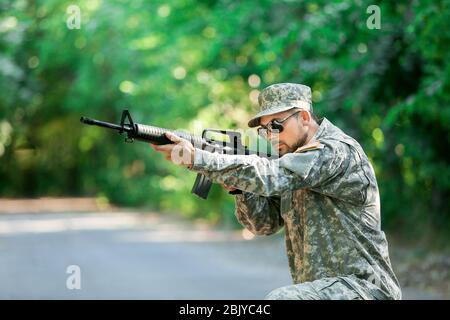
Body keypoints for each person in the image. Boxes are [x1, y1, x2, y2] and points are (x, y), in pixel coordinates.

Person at [150, 83, 402, 300]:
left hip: (364, 290)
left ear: (304, 116)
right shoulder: (292, 161)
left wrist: (200, 159)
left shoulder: (335, 151)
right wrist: (240, 189)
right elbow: (264, 224)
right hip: (320, 291)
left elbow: (272, 175)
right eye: (264, 129)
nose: (270, 136)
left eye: (276, 125)